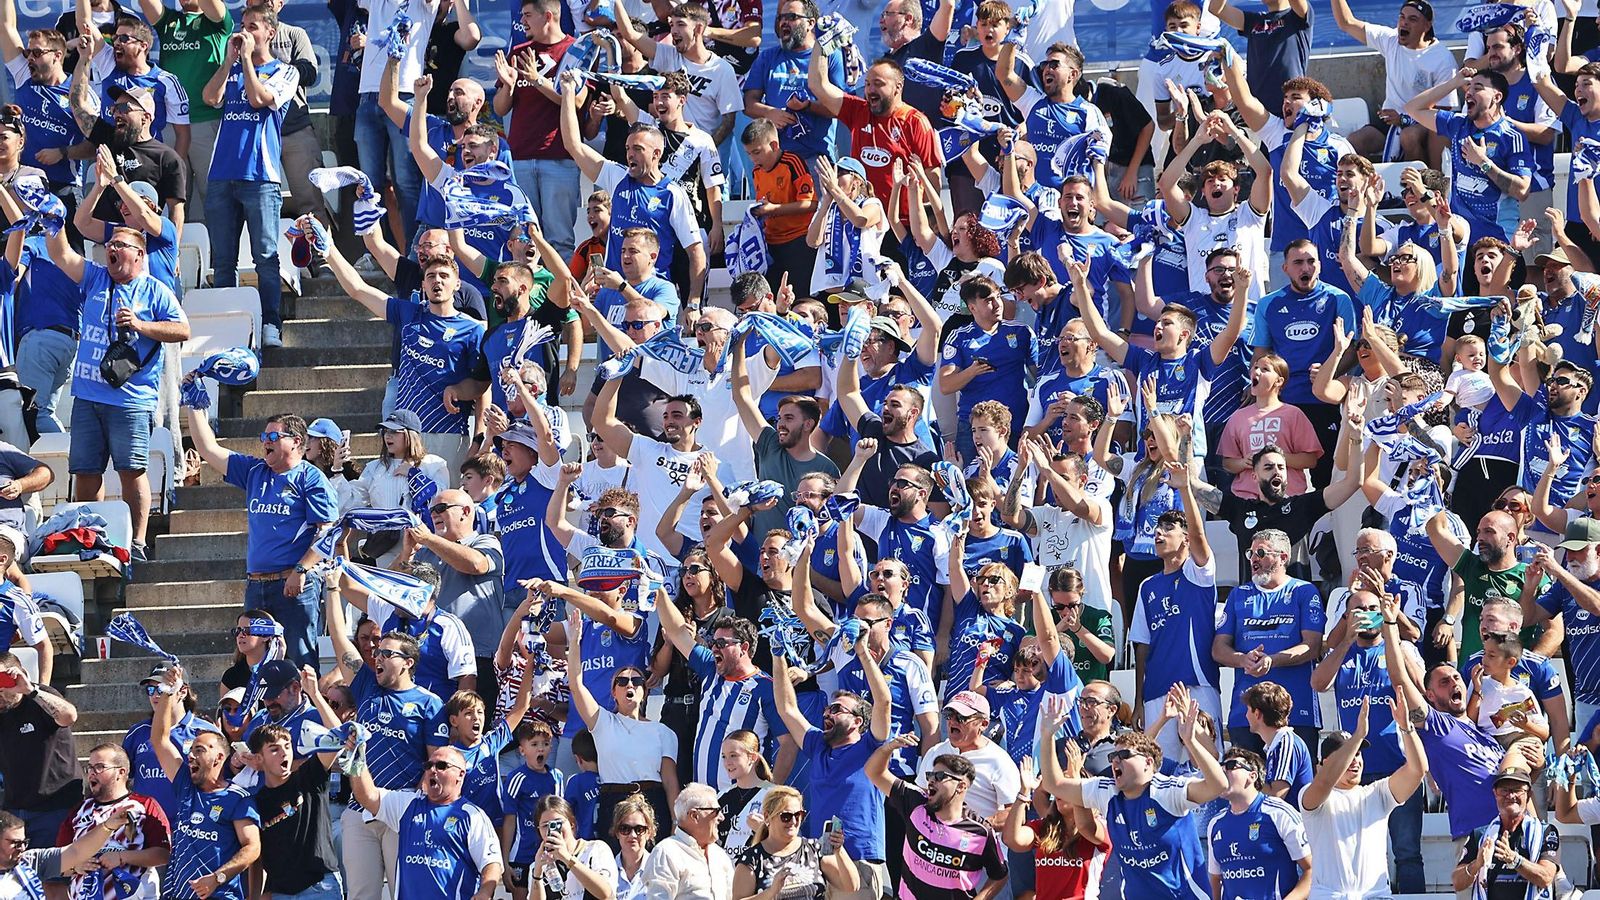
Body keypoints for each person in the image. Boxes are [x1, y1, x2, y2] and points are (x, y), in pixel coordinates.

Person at [43, 220, 189, 562]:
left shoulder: (154, 290)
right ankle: (88, 537)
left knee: (132, 469)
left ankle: (136, 541)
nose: (112, 248)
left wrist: (140, 325)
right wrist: (54, 223)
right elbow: (62, 254)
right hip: (88, 396)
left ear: (139, 255)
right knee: (86, 470)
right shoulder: (96, 277)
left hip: (131, 399)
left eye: (120, 245)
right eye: (110, 245)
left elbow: (182, 329)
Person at [184, 409, 337, 668]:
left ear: (296, 441)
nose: (265, 441)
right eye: (263, 436)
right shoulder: (255, 471)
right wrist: (193, 405)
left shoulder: (311, 478)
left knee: (299, 662)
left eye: (273, 436)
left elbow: (328, 532)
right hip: (256, 585)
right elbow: (208, 449)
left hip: (294, 586)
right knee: (253, 665)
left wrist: (301, 570)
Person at [1042, 691, 1227, 898]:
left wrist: (1191, 741)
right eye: (1113, 755)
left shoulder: (1167, 791)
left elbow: (1218, 785)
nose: (1115, 761)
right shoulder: (1107, 791)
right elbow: (1054, 784)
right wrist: (1047, 735)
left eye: (1123, 755)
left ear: (1149, 763)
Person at [199, 6, 297, 347]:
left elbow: (258, 100)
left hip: (261, 176)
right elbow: (209, 97)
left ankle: (270, 323)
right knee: (223, 260)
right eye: (242, 26)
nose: (244, 32)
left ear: (269, 32)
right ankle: (227, 328)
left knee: (266, 257)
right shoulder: (234, 71)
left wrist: (246, 63)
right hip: (222, 175)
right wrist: (229, 61)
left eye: (252, 27)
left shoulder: (285, 72)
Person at [338, 630, 444, 900]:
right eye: (377, 653)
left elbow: (436, 763)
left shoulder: (429, 704)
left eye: (387, 653)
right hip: (358, 808)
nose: (378, 658)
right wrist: (333, 588)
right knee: (361, 895)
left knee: (404, 893)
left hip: (402, 809)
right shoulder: (366, 687)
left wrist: (415, 807)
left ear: (408, 662)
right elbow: (340, 643)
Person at [147, 665, 262, 900]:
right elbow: (159, 739)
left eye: (199, 750)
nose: (191, 756)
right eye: (191, 751)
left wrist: (217, 877)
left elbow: (252, 847)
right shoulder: (185, 785)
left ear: (220, 757)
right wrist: (168, 691)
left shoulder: (238, 798)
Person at [1299, 691, 1428, 899]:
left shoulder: (1377, 793)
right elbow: (1324, 781)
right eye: (1348, 753)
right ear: (1322, 764)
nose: (1355, 759)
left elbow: (1417, 770)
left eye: (1358, 753)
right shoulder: (1311, 794)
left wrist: (1406, 727)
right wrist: (1358, 735)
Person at [1212, 529, 1325, 754]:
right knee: (1246, 785)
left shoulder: (1304, 591)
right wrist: (1242, 659)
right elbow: (1218, 648)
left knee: (1297, 786)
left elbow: (1312, 646)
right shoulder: (1238, 594)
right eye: (1251, 553)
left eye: (1261, 552)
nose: (1254, 559)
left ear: (1283, 557)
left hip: (1295, 709)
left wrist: (1272, 661)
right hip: (1246, 713)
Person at [346, 740, 504, 900]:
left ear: (460, 775)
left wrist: (485, 891)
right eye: (428, 766)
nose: (433, 770)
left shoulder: (472, 816)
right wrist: (356, 759)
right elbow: (367, 796)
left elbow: (491, 863)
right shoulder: (407, 805)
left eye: (441, 766)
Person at [393, 488, 504, 705]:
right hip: (434, 656)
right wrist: (407, 552)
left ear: (465, 511)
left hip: (479, 655)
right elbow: (393, 587)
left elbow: (476, 564)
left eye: (441, 508)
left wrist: (429, 539)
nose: (434, 514)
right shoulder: (426, 551)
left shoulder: (485, 541)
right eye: (431, 509)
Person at [866, 739, 1007, 900]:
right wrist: (889, 747)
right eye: (930, 775)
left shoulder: (981, 832)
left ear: (961, 786)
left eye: (939, 776)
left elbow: (1000, 875)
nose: (931, 780)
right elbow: (873, 772)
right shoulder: (915, 803)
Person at [1329, 0, 1456, 165]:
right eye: (1402, 17)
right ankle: (1368, 186)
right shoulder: (1390, 40)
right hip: (1389, 121)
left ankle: (1416, 186)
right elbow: (1347, 23)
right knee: (1354, 142)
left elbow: (1444, 111)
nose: (1404, 23)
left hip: (1422, 122)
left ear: (1427, 26)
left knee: (1409, 136)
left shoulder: (1442, 58)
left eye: (1412, 19)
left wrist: (1404, 119)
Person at [56, 743, 170, 900]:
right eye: (89, 767)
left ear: (121, 772)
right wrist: (75, 866)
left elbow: (163, 854)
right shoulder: (79, 810)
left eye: (100, 767)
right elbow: (57, 861)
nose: (91, 774)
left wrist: (123, 857)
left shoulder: (144, 805)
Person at [246, 722, 343, 900]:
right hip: (279, 893)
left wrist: (314, 694)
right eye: (274, 749)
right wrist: (256, 896)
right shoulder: (256, 802)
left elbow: (338, 738)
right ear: (258, 759)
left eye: (288, 746)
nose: (284, 753)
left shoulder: (309, 776)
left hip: (320, 886)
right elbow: (258, 858)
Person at [1204, 748, 1311, 900]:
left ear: (1252, 775)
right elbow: (1216, 879)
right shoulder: (1215, 823)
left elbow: (1311, 870)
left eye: (1230, 766)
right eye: (1220, 767)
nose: (1222, 771)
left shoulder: (1279, 813)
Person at [730, 787, 858, 900]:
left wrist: (839, 850)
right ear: (767, 817)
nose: (793, 821)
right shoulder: (752, 859)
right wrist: (771, 892)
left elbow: (852, 886)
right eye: (786, 816)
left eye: (798, 815)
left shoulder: (814, 849)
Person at [1453, 767, 1560, 897]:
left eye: (1517, 790)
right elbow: (1457, 883)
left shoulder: (1546, 832)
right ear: (1495, 794)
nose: (1510, 796)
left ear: (1529, 795)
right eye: (1504, 790)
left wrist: (1514, 860)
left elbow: (1546, 877)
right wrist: (1476, 864)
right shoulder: (1480, 835)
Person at [637, 783, 735, 900]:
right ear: (694, 816)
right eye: (716, 811)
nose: (722, 817)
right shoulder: (667, 852)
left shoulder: (719, 855)